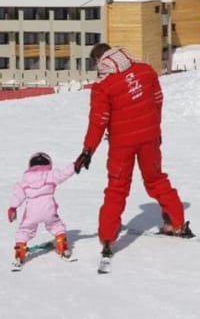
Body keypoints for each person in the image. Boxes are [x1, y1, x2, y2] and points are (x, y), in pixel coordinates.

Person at [74, 44, 191, 261]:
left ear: (100, 61)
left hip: (122, 144)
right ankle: (176, 222)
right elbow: (157, 100)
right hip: (149, 138)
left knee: (117, 188)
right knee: (156, 179)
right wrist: (156, 130)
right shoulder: (145, 70)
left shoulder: (103, 86)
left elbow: (98, 122)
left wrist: (88, 150)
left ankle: (107, 238)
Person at [8, 152, 76, 266]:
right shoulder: (51, 175)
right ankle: (62, 245)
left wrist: (13, 208)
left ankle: (20, 251)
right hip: (49, 209)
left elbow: (18, 195)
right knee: (55, 224)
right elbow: (65, 173)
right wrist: (77, 164)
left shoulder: (24, 180)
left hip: (32, 211)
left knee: (25, 229)